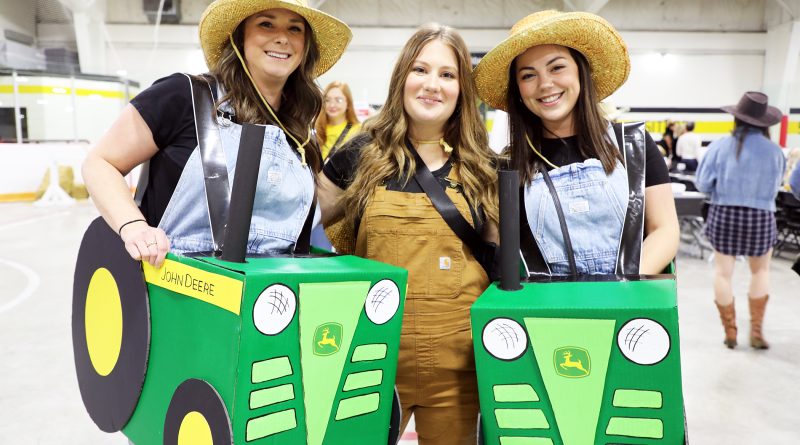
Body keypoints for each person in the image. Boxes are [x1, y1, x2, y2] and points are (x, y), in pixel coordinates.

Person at [318, 23, 499, 445]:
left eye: (447, 75)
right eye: (421, 69)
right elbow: (297, 224)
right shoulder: (359, 154)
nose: (432, 85)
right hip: (371, 361)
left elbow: (502, 264)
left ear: (462, 89)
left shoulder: (485, 167)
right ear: (402, 77)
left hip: (462, 372)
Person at [81, 0, 351, 267]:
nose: (282, 38)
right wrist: (134, 227)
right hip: (178, 289)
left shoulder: (300, 132)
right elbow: (100, 162)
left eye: (295, 29)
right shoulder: (185, 96)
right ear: (239, 36)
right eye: (266, 24)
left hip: (269, 296)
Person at [474, 10, 679, 276]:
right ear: (519, 91)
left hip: (628, 305)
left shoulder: (633, 146)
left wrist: (619, 289)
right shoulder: (507, 167)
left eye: (557, 67)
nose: (545, 84)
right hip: (544, 312)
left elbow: (665, 229)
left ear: (580, 72)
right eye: (528, 75)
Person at [695, 91, 785, 350]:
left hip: (725, 213)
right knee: (761, 271)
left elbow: (702, 183)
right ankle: (756, 330)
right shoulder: (775, 151)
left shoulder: (720, 146)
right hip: (761, 215)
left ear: (737, 118)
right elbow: (777, 184)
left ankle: (730, 332)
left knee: (723, 273)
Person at [315, 81, 362, 160]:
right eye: (327, 100)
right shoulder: (315, 129)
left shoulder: (358, 130)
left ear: (348, 103)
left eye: (338, 100)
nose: (332, 105)